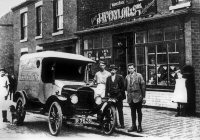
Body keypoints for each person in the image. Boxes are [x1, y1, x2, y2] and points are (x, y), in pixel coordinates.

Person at [125, 63, 146, 133]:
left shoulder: (139, 76)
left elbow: (143, 87)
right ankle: (134, 125)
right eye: (129, 68)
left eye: (131, 68)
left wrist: (144, 97)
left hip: (138, 97)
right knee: (132, 112)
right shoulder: (127, 77)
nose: (130, 69)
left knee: (139, 111)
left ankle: (139, 126)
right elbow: (126, 87)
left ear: (134, 68)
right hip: (130, 97)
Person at [105, 64, 126, 129]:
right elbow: (107, 88)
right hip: (111, 97)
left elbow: (123, 87)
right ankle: (115, 123)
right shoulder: (108, 78)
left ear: (116, 70)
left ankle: (122, 124)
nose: (112, 71)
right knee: (112, 110)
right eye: (111, 70)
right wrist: (107, 96)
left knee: (120, 110)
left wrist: (120, 94)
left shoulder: (120, 77)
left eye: (113, 70)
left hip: (119, 96)